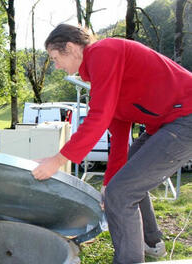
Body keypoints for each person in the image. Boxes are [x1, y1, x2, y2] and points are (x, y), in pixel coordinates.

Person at [32, 24, 192, 264]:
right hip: (169, 125)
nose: (56, 66)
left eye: (55, 58)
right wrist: (108, 184)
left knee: (123, 192)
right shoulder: (103, 80)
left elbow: (98, 117)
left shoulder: (104, 52)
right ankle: (151, 243)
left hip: (185, 119)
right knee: (121, 184)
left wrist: (57, 160)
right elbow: (118, 137)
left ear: (71, 48)